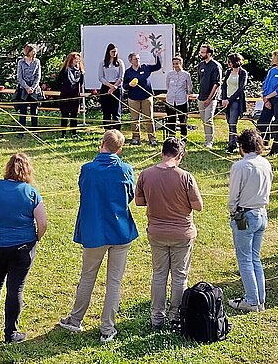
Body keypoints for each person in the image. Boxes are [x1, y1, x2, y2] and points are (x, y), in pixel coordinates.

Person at [59, 130, 138, 343]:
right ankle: (107, 328)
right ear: (119, 149)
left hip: (95, 231)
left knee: (88, 276)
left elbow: (84, 191)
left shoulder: (88, 170)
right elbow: (129, 195)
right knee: (114, 281)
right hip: (120, 231)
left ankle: (75, 320)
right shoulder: (124, 170)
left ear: (101, 144)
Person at [0, 153, 47, 343]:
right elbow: (43, 222)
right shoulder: (30, 192)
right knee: (15, 289)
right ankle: (10, 332)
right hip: (23, 247)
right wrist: (36, 237)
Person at [135, 138, 204, 324]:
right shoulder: (186, 177)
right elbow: (198, 206)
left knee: (159, 275)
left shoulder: (146, 174)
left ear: (162, 152)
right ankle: (175, 316)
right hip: (182, 233)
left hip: (157, 232)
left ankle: (157, 316)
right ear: (180, 155)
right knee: (180, 276)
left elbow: (139, 202)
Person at [226, 129, 271, 310]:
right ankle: (259, 299)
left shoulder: (240, 166)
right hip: (261, 213)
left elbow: (233, 195)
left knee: (244, 259)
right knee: (255, 258)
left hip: (245, 214)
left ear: (242, 146)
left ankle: (252, 300)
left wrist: (232, 210)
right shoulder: (265, 163)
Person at [123, 51, 163, 146]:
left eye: (138, 58)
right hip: (133, 98)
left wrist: (158, 56)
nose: (137, 60)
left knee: (149, 118)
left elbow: (158, 66)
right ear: (130, 61)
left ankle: (152, 138)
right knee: (135, 119)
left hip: (146, 97)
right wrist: (129, 84)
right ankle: (136, 138)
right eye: (135, 59)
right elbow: (124, 86)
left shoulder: (146, 67)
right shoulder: (128, 72)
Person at [196, 44, 222, 149]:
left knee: (208, 119)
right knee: (203, 120)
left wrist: (209, 99)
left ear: (209, 54)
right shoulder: (200, 65)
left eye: (203, 52)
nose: (200, 54)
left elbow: (216, 84)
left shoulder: (216, 66)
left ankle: (209, 141)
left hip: (211, 98)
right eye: (200, 52)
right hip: (201, 96)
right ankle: (206, 138)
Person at [220, 53, 248, 152]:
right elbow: (224, 85)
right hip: (227, 100)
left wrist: (230, 99)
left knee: (232, 123)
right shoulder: (228, 72)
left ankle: (232, 145)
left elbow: (241, 88)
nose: (228, 63)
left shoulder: (243, 73)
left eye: (230, 61)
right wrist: (223, 98)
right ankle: (233, 142)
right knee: (229, 122)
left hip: (236, 101)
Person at [14, 44, 44, 137]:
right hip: (23, 89)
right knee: (23, 111)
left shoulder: (37, 62)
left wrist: (33, 87)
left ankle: (35, 131)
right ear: (28, 51)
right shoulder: (21, 62)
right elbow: (19, 77)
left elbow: (38, 76)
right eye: (32, 51)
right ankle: (21, 131)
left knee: (34, 111)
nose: (34, 53)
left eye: (35, 51)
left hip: (34, 89)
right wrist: (26, 87)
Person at [55, 52, 84, 138]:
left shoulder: (80, 72)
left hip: (75, 95)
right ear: (71, 60)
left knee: (74, 114)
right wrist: (65, 88)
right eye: (76, 59)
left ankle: (74, 133)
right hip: (65, 95)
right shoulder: (65, 70)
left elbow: (81, 83)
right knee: (65, 114)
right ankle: (63, 133)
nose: (77, 61)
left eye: (79, 60)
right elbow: (58, 83)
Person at [97, 43, 126, 131]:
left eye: (116, 52)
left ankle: (116, 131)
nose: (114, 53)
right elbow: (100, 77)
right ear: (108, 52)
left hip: (117, 88)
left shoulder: (120, 62)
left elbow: (122, 76)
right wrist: (109, 86)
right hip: (106, 87)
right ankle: (107, 131)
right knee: (106, 111)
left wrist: (114, 86)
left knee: (116, 111)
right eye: (112, 51)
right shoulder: (102, 63)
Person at [164, 56, 193, 140]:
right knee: (171, 120)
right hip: (170, 100)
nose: (175, 65)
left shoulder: (186, 74)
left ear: (181, 63)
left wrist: (187, 94)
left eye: (177, 64)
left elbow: (189, 87)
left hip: (182, 100)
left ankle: (183, 139)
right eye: (173, 64)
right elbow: (167, 85)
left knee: (182, 120)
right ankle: (171, 138)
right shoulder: (170, 74)